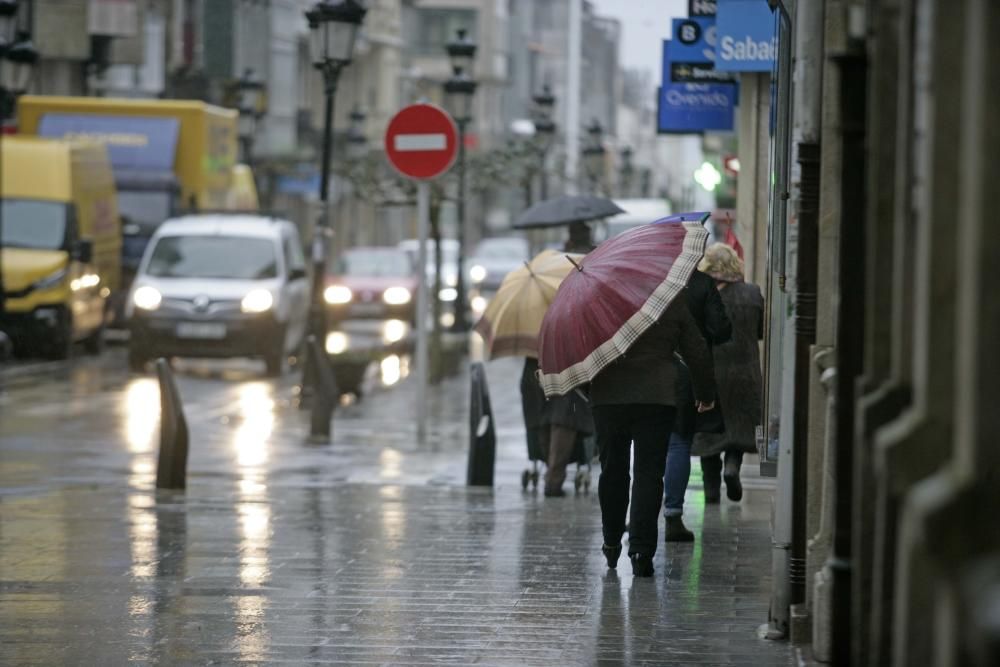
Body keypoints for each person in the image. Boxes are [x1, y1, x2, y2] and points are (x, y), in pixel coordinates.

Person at [590, 297, 716, 577]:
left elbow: (583, 347)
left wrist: (590, 390)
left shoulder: (602, 302)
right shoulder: (668, 298)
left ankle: (611, 542)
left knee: (613, 470)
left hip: (609, 396)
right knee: (648, 472)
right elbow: (696, 348)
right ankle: (641, 552)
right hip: (657, 397)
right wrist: (705, 393)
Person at [692, 243, 764, 503]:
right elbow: (761, 331)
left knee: (709, 434)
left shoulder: (701, 294)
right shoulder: (752, 293)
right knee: (738, 429)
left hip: (710, 373)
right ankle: (732, 467)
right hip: (745, 374)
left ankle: (711, 491)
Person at [663, 269, 731, 541]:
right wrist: (706, 391)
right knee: (678, 443)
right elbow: (720, 329)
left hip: (645, 372)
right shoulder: (701, 283)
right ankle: (672, 516)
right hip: (683, 375)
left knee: (648, 447)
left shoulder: (647, 279)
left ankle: (638, 516)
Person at [542, 221, 596, 497]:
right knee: (570, 414)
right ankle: (555, 475)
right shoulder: (592, 264)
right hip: (580, 353)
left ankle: (555, 473)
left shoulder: (555, 266)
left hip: (556, 353)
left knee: (563, 414)